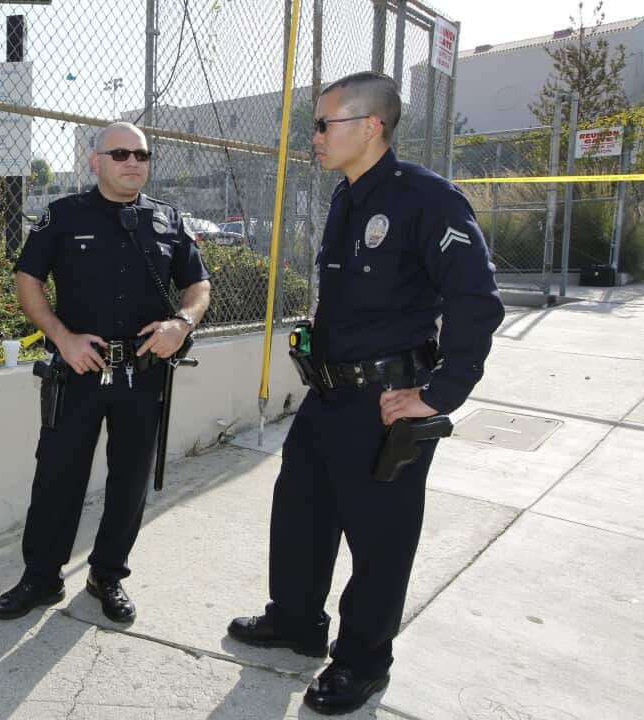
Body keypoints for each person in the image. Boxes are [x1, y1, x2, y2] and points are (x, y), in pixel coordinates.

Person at [227, 72, 504, 714]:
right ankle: (297, 622)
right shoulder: (346, 198)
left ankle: (362, 663)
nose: (314, 137)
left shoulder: (427, 200)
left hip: (384, 404)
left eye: (324, 124)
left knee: (380, 539)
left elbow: (476, 302)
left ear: (370, 127)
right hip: (327, 397)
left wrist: (439, 394)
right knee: (299, 513)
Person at [0, 122, 211, 625]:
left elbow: (198, 286)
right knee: (57, 478)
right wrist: (62, 338)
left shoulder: (168, 220)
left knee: (129, 481)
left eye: (142, 154)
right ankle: (40, 578)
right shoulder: (63, 216)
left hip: (143, 372)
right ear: (96, 162)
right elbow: (27, 281)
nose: (133, 162)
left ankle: (106, 575)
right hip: (79, 371)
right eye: (120, 154)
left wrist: (181, 323)